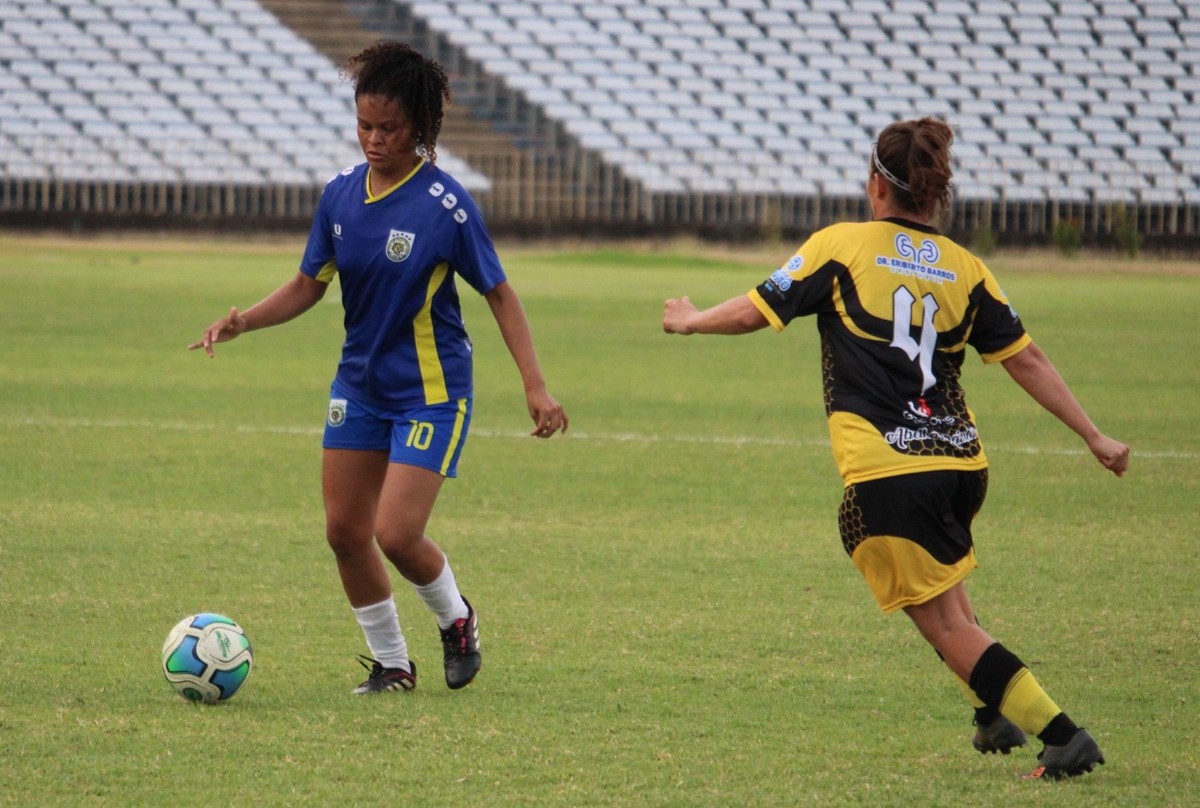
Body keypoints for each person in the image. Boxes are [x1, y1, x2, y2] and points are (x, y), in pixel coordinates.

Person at [661, 118, 1128, 780]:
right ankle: (990, 712)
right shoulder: (967, 268)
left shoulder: (844, 246)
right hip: (963, 467)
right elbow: (1028, 360)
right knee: (947, 602)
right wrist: (1093, 435)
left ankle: (1062, 736)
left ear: (876, 184)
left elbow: (758, 308)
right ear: (933, 195)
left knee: (941, 620)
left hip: (891, 470)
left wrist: (690, 319)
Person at [190, 41, 568, 695]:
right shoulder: (339, 196)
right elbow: (309, 284)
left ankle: (456, 619)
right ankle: (393, 665)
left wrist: (534, 385)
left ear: (418, 127)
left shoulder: (446, 206)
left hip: (431, 392)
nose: (373, 139)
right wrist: (243, 319)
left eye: (387, 128)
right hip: (359, 386)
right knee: (344, 531)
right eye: (364, 124)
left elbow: (500, 293)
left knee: (395, 532)